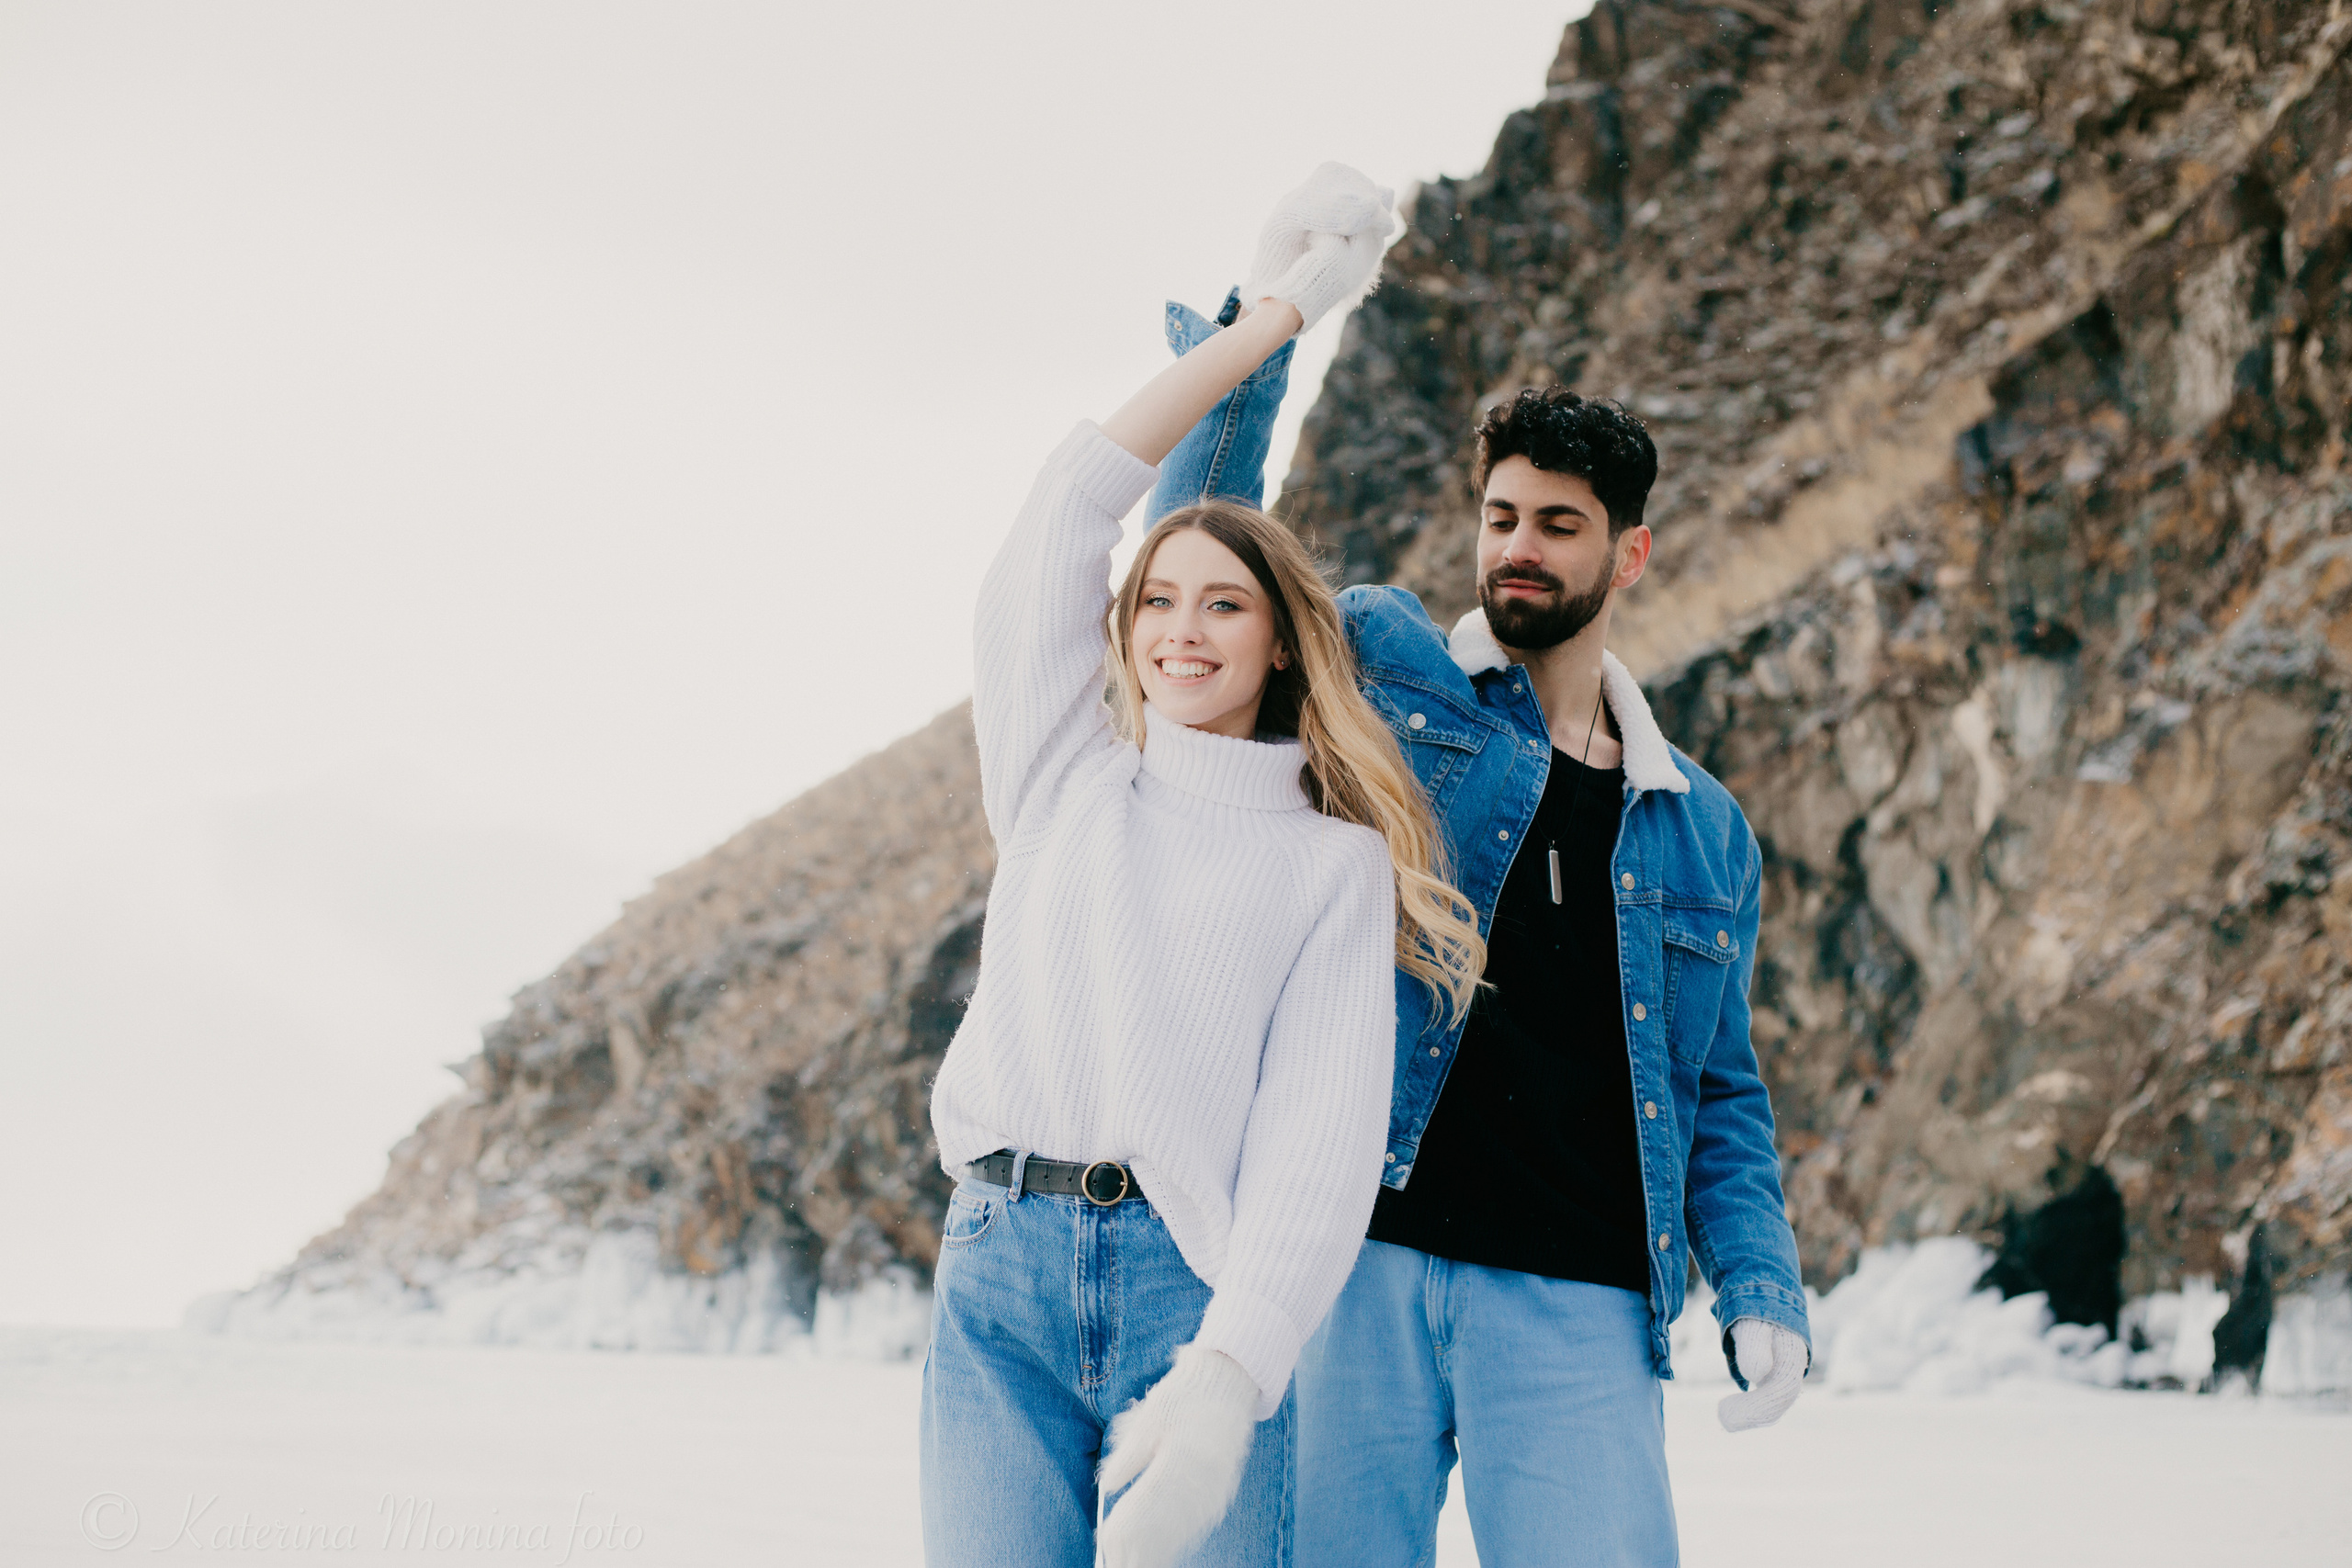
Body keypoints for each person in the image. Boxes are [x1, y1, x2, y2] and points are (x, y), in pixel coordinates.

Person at [1144, 268, 1814, 1567]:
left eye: (1559, 524)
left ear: (1629, 553)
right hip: (1349, 1261)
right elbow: (1201, 558)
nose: (1519, 547)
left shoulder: (1702, 826)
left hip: (1581, 1301)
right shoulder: (1388, 672)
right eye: (1502, 515)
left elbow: (1721, 1089)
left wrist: (1760, 1284)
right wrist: (1255, 344)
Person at [920, 164, 1484, 1568]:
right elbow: (1062, 519)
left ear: (1280, 639)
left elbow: (1316, 1151)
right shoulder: (1063, 779)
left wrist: (1230, 1379)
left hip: (1196, 1289)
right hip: (996, 1272)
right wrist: (1276, 313)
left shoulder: (1333, 870)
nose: (1181, 629)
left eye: (1222, 602)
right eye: (1157, 600)